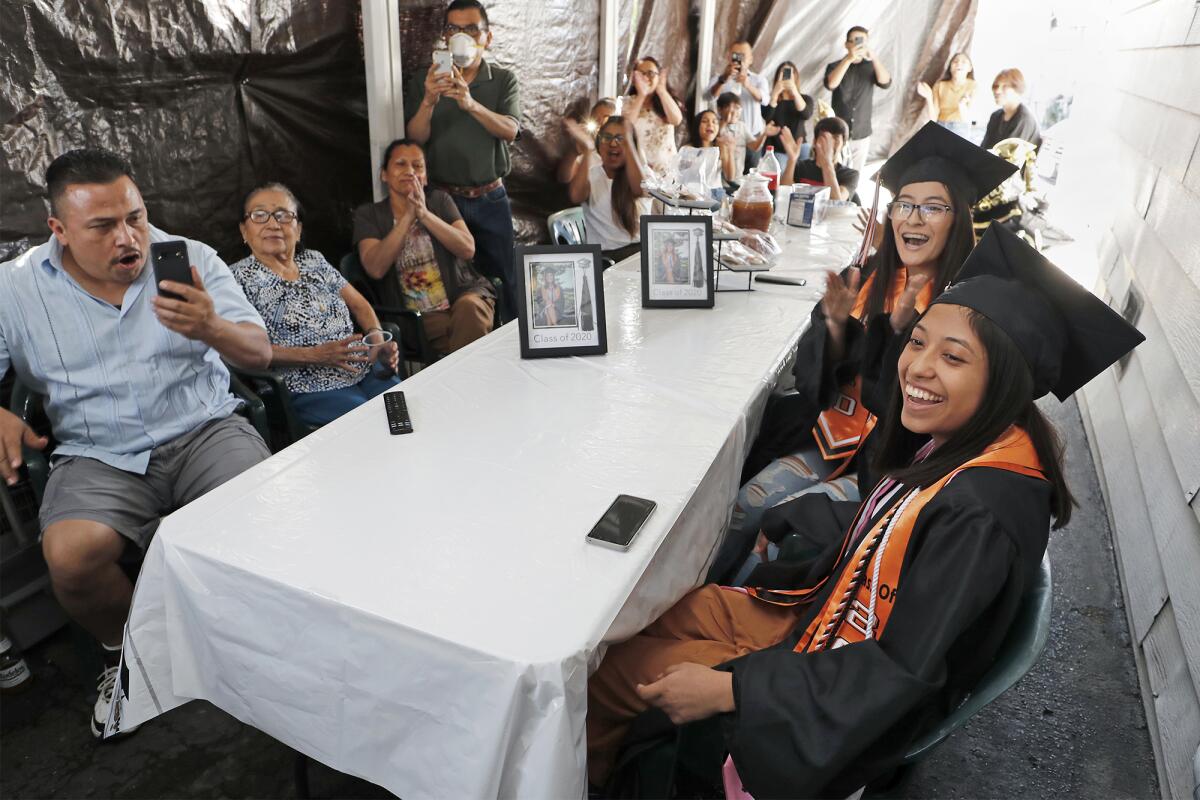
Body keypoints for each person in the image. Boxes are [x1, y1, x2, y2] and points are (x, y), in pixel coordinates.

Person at [586, 222, 1144, 796]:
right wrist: (789, 515)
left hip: (844, 696)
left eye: (953, 358)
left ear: (1002, 381)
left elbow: (905, 669)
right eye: (919, 341)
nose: (918, 367)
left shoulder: (982, 513)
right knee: (682, 608)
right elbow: (888, 534)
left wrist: (731, 690)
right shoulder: (974, 442)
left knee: (614, 676)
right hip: (827, 628)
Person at [0, 149, 273, 736]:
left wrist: (212, 327)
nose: (129, 238)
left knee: (264, 518)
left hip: (203, 429)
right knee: (71, 557)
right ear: (60, 230)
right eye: (102, 226)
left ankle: (257, 648)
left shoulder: (191, 259)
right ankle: (134, 651)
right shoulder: (15, 289)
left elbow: (261, 354)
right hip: (98, 453)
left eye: (136, 217)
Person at [711, 122, 1017, 585]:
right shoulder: (870, 278)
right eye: (905, 205)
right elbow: (823, 379)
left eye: (933, 208)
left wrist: (898, 333)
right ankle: (702, 597)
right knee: (748, 502)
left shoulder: (964, 309)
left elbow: (903, 402)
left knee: (783, 525)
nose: (914, 219)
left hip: (891, 466)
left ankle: (739, 612)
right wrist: (834, 325)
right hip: (831, 437)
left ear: (958, 220)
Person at [230, 183, 401, 428]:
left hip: (361, 368)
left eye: (283, 215)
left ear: (298, 229)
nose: (273, 223)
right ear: (244, 231)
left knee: (403, 411)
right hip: (303, 387)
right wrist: (316, 355)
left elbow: (360, 305)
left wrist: (376, 339)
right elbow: (244, 349)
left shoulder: (314, 260)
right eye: (259, 215)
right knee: (373, 425)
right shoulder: (236, 278)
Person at [405, 0, 520, 316]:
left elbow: (510, 130)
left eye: (471, 29)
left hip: (490, 198)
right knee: (446, 284)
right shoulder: (425, 80)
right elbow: (414, 139)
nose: (462, 36)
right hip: (442, 201)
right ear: (444, 36)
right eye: (454, 28)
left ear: (487, 37)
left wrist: (470, 105)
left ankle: (511, 352)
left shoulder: (502, 80)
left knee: (505, 280)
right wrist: (429, 99)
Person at [354, 138, 495, 356]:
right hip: (418, 316)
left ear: (425, 176)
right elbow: (375, 267)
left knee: (471, 310)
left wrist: (425, 215)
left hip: (462, 298)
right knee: (470, 343)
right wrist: (408, 217)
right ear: (384, 174)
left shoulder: (440, 201)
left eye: (418, 166)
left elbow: (467, 248)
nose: (410, 171)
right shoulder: (369, 215)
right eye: (400, 164)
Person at [567, 116, 651, 263]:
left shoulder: (643, 175)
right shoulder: (591, 176)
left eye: (620, 138)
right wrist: (587, 151)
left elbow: (639, 189)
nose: (613, 143)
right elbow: (576, 196)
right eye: (607, 137)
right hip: (606, 260)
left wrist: (628, 142)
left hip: (640, 255)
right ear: (599, 144)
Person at [824, 26, 892, 172]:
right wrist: (849, 59)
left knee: (855, 176)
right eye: (854, 41)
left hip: (862, 132)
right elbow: (831, 84)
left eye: (861, 41)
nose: (857, 45)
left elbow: (886, 82)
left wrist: (873, 56)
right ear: (846, 44)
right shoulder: (835, 66)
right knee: (833, 173)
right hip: (838, 132)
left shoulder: (870, 67)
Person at [707, 42, 771, 170]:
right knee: (728, 178)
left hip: (753, 137)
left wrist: (747, 85)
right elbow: (709, 96)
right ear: (728, 57)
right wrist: (724, 79)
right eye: (735, 55)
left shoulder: (759, 80)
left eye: (743, 56)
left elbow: (765, 100)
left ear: (751, 59)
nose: (739, 59)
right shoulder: (720, 79)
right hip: (728, 140)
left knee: (751, 175)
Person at [625, 57, 684, 180]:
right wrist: (641, 95)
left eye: (651, 73)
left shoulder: (666, 101)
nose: (647, 77)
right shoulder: (627, 103)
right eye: (642, 74)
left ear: (659, 77)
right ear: (634, 78)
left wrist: (661, 90)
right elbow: (625, 127)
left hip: (667, 174)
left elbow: (676, 120)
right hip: (638, 171)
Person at [779, 116, 858, 202]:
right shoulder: (799, 167)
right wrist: (792, 159)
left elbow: (836, 202)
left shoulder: (850, 175)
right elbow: (784, 196)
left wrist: (827, 162)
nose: (829, 144)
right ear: (814, 142)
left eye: (835, 138)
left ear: (843, 144)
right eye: (824, 138)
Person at [761, 61, 814, 176]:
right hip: (779, 149)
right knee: (781, 176)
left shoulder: (805, 99)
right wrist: (775, 93)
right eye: (783, 72)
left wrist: (794, 91)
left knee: (805, 174)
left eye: (790, 72)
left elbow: (806, 114)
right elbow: (767, 117)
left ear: (795, 76)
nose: (787, 76)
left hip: (800, 146)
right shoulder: (770, 99)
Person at [916, 52, 976, 138]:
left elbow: (966, 119)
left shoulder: (973, 86)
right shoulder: (939, 85)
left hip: (960, 128)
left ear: (970, 68)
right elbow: (933, 118)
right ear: (950, 67)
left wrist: (961, 105)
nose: (959, 63)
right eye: (955, 61)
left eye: (964, 62)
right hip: (940, 125)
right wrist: (929, 97)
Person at [557, 98, 616, 185]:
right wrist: (575, 150)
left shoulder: (622, 149)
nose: (599, 123)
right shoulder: (587, 146)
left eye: (605, 119)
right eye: (595, 118)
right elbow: (564, 178)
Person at [715, 92, 767, 190]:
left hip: (737, 180)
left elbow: (754, 146)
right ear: (719, 109)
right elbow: (716, 139)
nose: (734, 111)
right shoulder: (715, 124)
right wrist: (725, 121)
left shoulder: (742, 126)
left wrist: (764, 134)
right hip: (719, 182)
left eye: (737, 108)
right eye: (730, 107)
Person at [981, 68, 1042, 150]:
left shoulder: (1024, 119)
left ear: (1017, 89)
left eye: (1004, 86)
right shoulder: (995, 116)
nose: (997, 91)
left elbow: (1009, 158)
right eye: (995, 86)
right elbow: (983, 149)